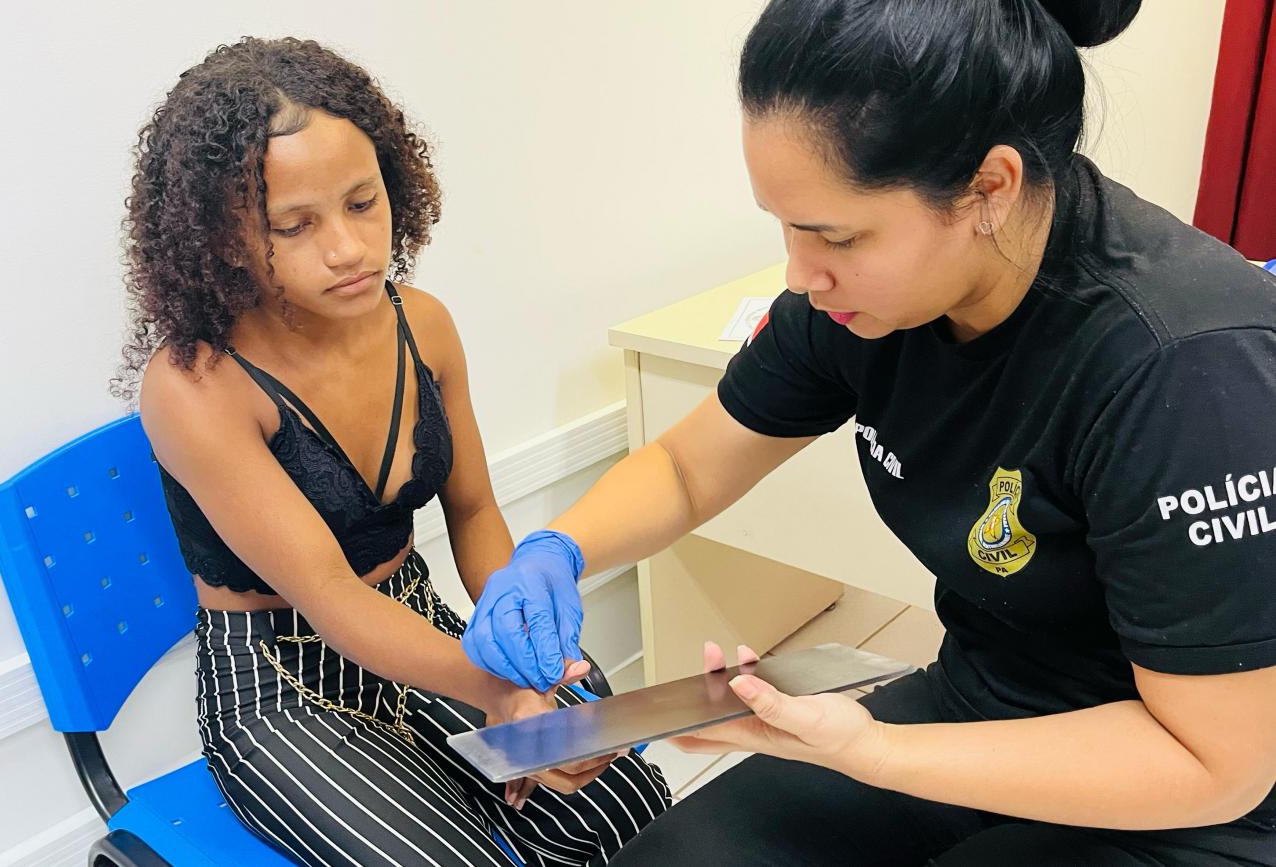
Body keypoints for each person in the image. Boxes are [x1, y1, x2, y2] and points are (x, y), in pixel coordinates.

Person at [462, 0, 1276, 863]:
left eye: (837, 237)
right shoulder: (859, 306)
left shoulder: (1186, 366)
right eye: (785, 226)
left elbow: (1215, 763)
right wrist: (556, 550)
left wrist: (874, 750)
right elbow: (687, 468)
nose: (800, 274)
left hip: (1187, 795)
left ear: (989, 189)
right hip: (981, 701)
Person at [116, 37, 669, 867]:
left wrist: (534, 656)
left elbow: (474, 511)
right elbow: (332, 595)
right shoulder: (195, 385)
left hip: (418, 626)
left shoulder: (425, 325)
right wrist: (497, 690)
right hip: (282, 684)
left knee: (630, 802)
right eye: (294, 225)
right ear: (224, 238)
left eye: (362, 202)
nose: (347, 247)